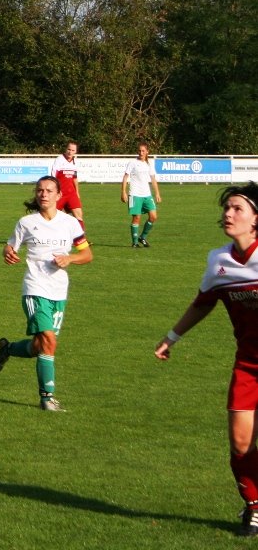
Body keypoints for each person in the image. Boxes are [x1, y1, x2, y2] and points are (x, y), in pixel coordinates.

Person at [155, 182, 258, 537]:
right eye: (226, 208)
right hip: (249, 365)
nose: (228, 214)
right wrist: (171, 338)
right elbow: (203, 303)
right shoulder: (219, 260)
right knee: (241, 443)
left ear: (256, 219)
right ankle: (254, 507)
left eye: (237, 209)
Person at [0, 175, 93, 411]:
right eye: (40, 190)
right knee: (49, 341)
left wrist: (70, 258)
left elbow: (87, 254)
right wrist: (7, 252)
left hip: (59, 291)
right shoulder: (26, 223)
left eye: (49, 190)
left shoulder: (71, 223)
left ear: (59, 196)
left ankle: (7, 349)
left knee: (41, 346)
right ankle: (47, 398)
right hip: (35, 288)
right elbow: (10, 246)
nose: (44, 194)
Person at [121, 141, 161, 248]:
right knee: (136, 218)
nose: (141, 152)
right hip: (134, 194)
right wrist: (123, 192)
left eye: (143, 151)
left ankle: (142, 237)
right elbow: (125, 177)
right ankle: (134, 242)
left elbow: (153, 179)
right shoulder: (132, 163)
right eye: (139, 150)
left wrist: (157, 193)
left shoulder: (149, 164)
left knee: (153, 216)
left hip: (147, 195)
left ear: (147, 152)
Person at [50, 140, 84, 228]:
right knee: (51, 216)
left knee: (79, 215)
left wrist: (77, 192)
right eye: (69, 149)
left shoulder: (75, 162)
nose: (70, 152)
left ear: (76, 151)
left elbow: (74, 178)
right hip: (60, 193)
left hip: (71, 193)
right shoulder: (59, 160)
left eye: (73, 150)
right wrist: (55, 191)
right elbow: (53, 177)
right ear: (66, 149)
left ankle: (82, 241)